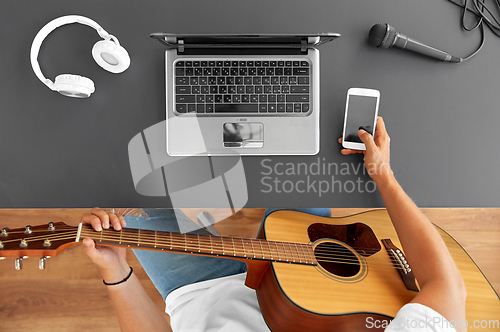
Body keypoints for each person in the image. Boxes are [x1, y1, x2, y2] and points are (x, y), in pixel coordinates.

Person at [81, 117, 466, 332]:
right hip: (312, 277)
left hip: (200, 294)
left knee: (131, 171)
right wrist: (383, 176)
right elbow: (445, 286)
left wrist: (117, 272)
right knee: (298, 147)